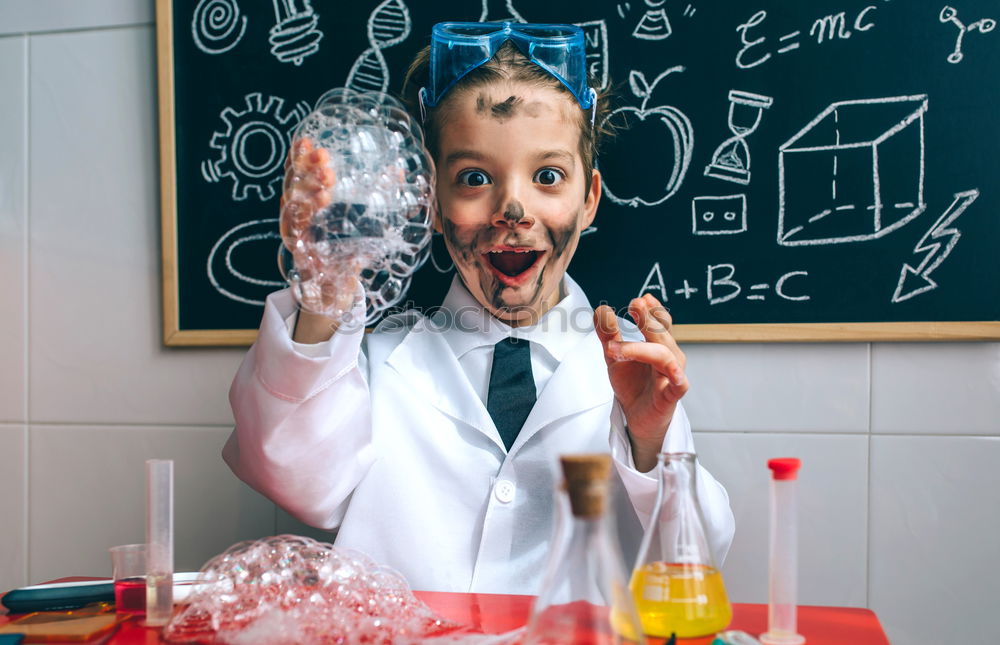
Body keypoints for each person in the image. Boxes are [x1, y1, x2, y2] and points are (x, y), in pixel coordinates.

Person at [224, 22, 734, 594]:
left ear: (588, 198)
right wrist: (324, 279)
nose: (512, 207)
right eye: (473, 178)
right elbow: (292, 477)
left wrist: (649, 442)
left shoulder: (630, 375)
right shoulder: (380, 367)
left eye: (547, 176)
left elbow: (697, 557)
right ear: (433, 203)